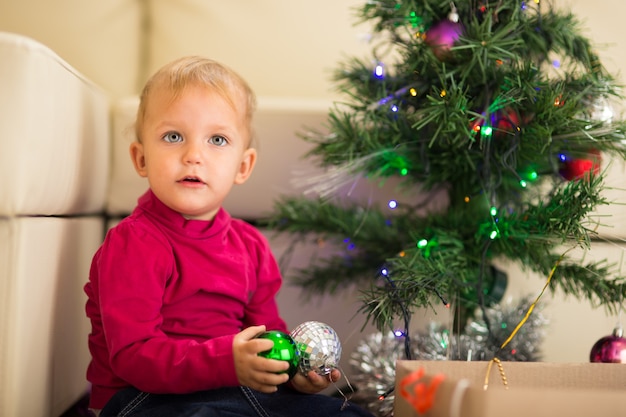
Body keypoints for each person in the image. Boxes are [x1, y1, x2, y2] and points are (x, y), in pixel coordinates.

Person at [84, 56, 374, 417]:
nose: (193, 155)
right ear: (141, 158)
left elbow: (268, 340)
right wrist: (226, 363)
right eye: (173, 136)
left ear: (243, 166)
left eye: (217, 139)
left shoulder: (250, 247)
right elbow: (132, 356)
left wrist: (292, 376)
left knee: (348, 414)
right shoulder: (133, 243)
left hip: (235, 390)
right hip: (143, 397)